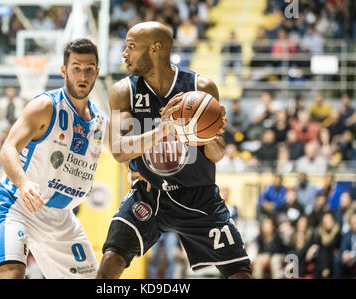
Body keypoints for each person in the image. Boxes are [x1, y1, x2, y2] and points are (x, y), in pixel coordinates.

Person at [96, 22, 251, 279]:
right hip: (150, 195)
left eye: (131, 47)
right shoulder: (124, 91)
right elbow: (119, 151)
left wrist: (206, 134)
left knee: (240, 274)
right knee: (111, 261)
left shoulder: (201, 88)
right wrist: (164, 129)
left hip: (199, 198)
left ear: (156, 49)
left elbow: (217, 154)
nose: (124, 53)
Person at [0, 38, 108, 279]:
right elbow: (8, 150)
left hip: (61, 218)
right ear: (64, 70)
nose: (82, 75)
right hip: (19, 207)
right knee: (12, 273)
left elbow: (124, 150)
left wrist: (160, 133)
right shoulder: (45, 106)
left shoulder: (100, 121)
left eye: (89, 69)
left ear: (97, 72)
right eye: (76, 68)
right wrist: (23, 183)